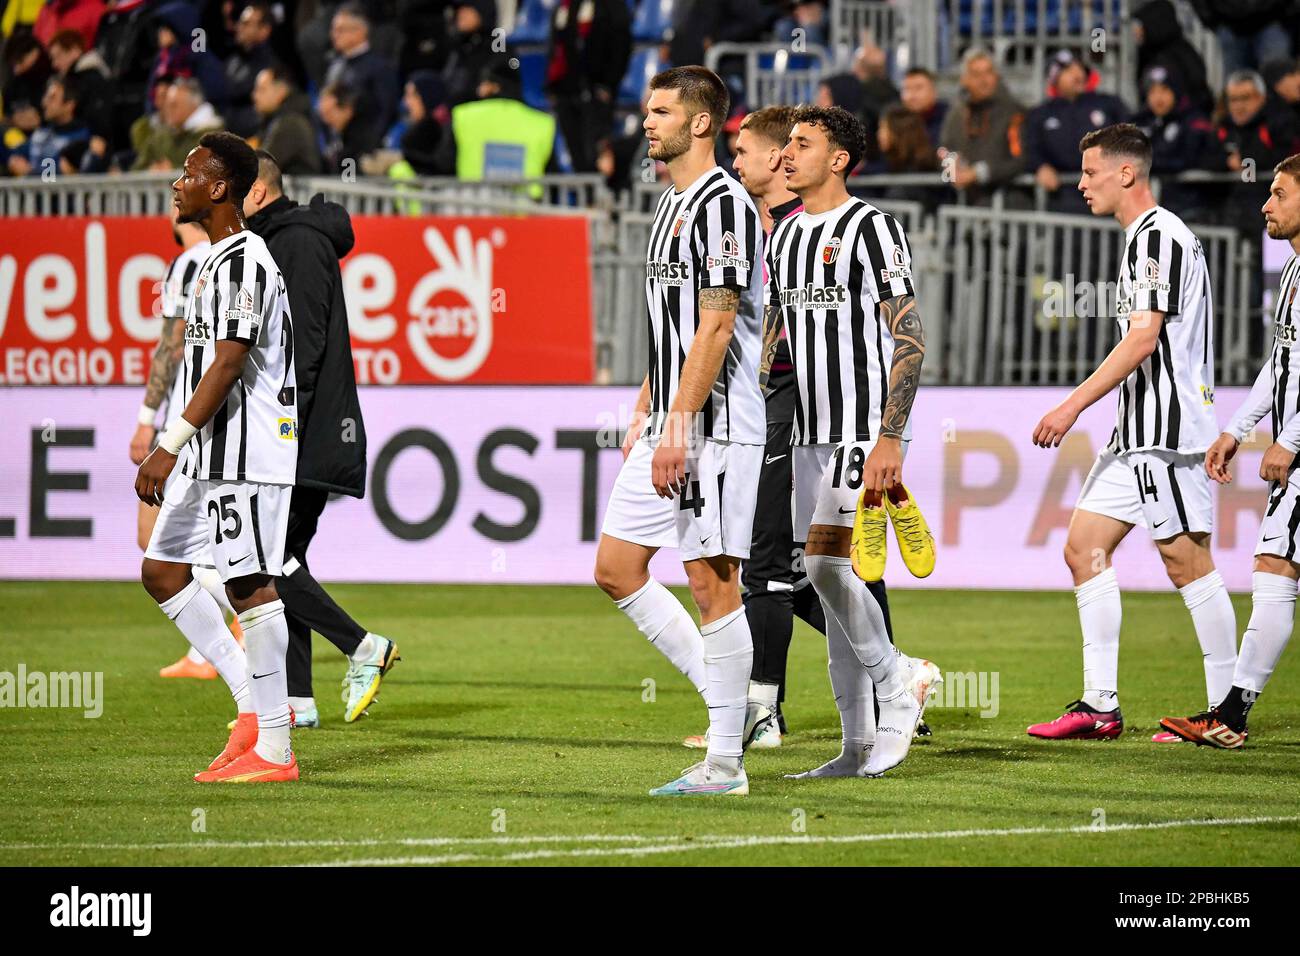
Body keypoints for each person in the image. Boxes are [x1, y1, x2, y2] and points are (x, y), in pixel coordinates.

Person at [1028, 123, 1237, 743]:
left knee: (1187, 561)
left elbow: (1143, 339)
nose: (1081, 182)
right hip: (1136, 432)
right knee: (1083, 547)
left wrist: (1070, 406)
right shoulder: (1146, 239)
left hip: (1167, 432)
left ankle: (1228, 712)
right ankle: (1100, 706)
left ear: (1127, 173)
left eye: (1090, 171)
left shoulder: (1156, 238)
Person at [593, 65, 765, 797]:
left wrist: (682, 427)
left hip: (717, 425)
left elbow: (718, 321)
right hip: (674, 413)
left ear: (702, 123)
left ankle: (724, 761)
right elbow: (674, 326)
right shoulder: (671, 202)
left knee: (711, 582)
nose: (647, 121)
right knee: (617, 568)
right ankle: (734, 706)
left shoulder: (724, 205)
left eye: (660, 110)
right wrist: (647, 405)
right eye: (646, 108)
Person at [764, 105, 932, 779]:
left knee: (829, 567)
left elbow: (910, 334)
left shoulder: (873, 228)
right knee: (827, 580)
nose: (786, 156)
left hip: (864, 427)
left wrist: (890, 437)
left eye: (801, 145)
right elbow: (776, 339)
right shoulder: (784, 237)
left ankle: (902, 675)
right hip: (808, 430)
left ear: (838, 159)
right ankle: (856, 746)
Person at [135, 131, 300, 783]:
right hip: (210, 453)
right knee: (162, 572)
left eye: (190, 173)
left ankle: (277, 749)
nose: (178, 183)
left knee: (249, 585)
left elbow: (229, 363)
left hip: (247, 453)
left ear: (221, 187)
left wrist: (166, 445)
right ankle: (251, 709)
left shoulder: (245, 261)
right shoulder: (210, 261)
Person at [243, 149, 399, 727]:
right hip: (302, 430)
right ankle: (298, 700)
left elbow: (302, 353)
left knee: (268, 561)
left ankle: (363, 647)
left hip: (304, 434)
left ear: (257, 193)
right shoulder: (284, 238)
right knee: (285, 558)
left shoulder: (298, 244)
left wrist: (276, 430)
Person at [1161, 154, 1300, 747]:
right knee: (1275, 567)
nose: (1265, 204)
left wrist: (1289, 440)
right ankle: (1229, 714)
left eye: (1278, 193)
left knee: (1274, 568)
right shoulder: (1293, 273)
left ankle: (1231, 716)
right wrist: (1238, 430)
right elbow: (1282, 363)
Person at [130, 202, 235, 681]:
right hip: (222, 423)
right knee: (200, 545)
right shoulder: (237, 258)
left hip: (182, 424)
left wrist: (146, 419)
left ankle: (251, 614)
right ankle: (206, 652)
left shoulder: (186, 265)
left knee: (155, 544)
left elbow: (170, 348)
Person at [1023, 51, 1128, 215]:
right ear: (1054, 78)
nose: (1077, 73)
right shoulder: (1040, 114)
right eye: (1068, 70)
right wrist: (1040, 167)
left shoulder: (1109, 105)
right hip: (1063, 197)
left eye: (1079, 68)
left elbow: (1130, 138)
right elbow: (1030, 148)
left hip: (1107, 193)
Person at [544, 0, 631, 174]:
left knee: (597, 154)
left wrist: (607, 84)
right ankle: (586, 199)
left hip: (596, 93)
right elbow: (556, 48)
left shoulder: (610, 6)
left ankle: (602, 197)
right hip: (566, 92)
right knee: (577, 155)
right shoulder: (563, 7)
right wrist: (553, 86)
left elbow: (621, 44)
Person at [939, 47, 1026, 207]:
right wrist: (952, 169)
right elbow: (945, 150)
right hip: (962, 199)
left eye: (988, 73)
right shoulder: (956, 113)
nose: (983, 80)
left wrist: (979, 173)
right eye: (976, 75)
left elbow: (1020, 159)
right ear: (964, 80)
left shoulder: (1013, 112)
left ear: (996, 76)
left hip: (1006, 199)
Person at [323, 3, 400, 138]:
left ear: (361, 31)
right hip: (338, 147)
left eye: (341, 30)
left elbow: (386, 111)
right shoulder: (334, 67)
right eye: (333, 29)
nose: (334, 35)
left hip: (365, 147)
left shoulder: (379, 68)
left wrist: (369, 144)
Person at [1134, 0, 1214, 115]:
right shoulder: (1148, 53)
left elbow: (1199, 94)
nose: (1137, 31)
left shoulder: (1182, 55)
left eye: (1141, 25)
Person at [131, 76, 224, 171]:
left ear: (192, 105)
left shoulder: (211, 137)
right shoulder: (160, 136)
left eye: (174, 105)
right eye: (167, 105)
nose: (168, 110)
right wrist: (150, 170)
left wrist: (172, 171)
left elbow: (210, 172)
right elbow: (137, 169)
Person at [223, 1, 280, 138]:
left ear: (264, 30)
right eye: (241, 22)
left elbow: (236, 90)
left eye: (246, 23)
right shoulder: (233, 60)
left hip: (254, 134)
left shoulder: (271, 65)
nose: (239, 27)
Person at [251, 65, 321, 176]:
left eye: (261, 89)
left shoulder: (290, 122)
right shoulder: (277, 119)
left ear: (281, 91)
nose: (254, 96)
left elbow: (261, 167)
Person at [899, 66, 947, 152]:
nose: (911, 95)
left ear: (934, 91)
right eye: (907, 89)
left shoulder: (949, 118)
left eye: (918, 88)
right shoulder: (897, 120)